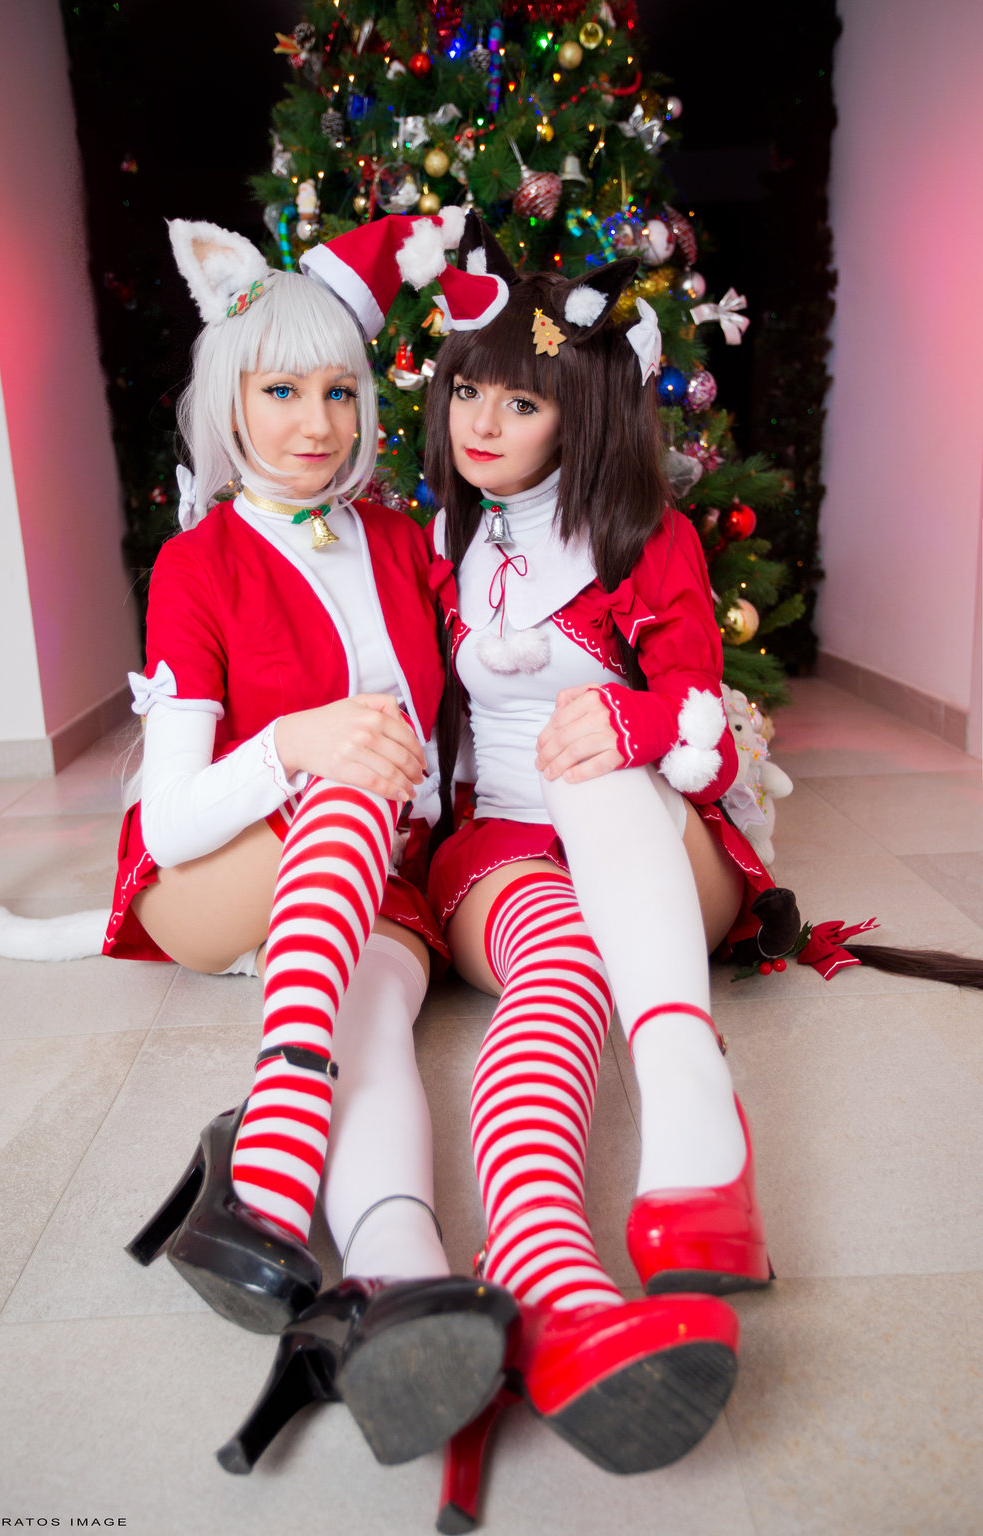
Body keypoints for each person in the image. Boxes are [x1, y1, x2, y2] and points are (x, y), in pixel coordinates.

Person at [105, 211, 517, 1469]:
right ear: (228, 399)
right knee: (346, 779)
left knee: (377, 1013)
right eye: (280, 391)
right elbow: (172, 820)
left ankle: (395, 1277)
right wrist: (297, 742)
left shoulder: (398, 538)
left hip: (376, 885)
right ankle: (269, 1169)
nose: (317, 424)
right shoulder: (198, 563)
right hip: (209, 878)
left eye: (339, 391)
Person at [420, 214, 773, 1487]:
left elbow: (709, 750)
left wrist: (631, 719)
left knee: (601, 762)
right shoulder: (442, 544)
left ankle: (687, 1103)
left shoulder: (644, 539)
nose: (482, 422)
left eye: (521, 401)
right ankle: (546, 1267)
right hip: (510, 853)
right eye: (469, 389)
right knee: (560, 973)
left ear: (579, 415)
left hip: (656, 836)